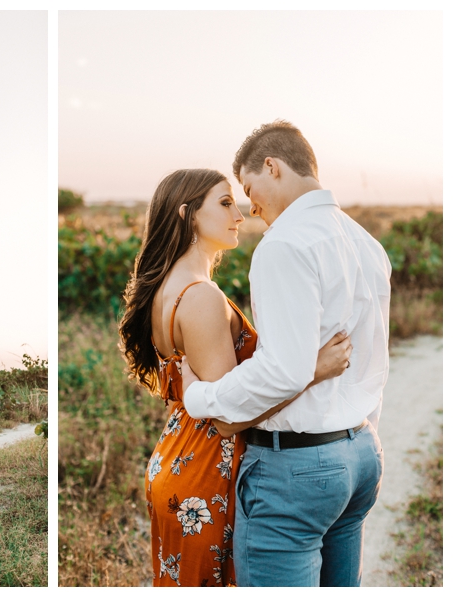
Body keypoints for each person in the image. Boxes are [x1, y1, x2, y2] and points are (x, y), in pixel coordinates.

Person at [118, 168, 353, 587]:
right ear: (187, 214)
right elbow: (231, 415)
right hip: (208, 472)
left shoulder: (169, 289)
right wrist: (312, 371)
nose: (239, 215)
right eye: (225, 203)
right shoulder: (201, 296)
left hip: (178, 456)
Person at [181, 121, 391, 587]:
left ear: (272, 167)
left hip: (298, 470)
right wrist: (358, 435)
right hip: (359, 454)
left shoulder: (284, 244)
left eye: (249, 187)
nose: (248, 205)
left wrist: (202, 398)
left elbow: (283, 370)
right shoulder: (367, 244)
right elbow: (375, 358)